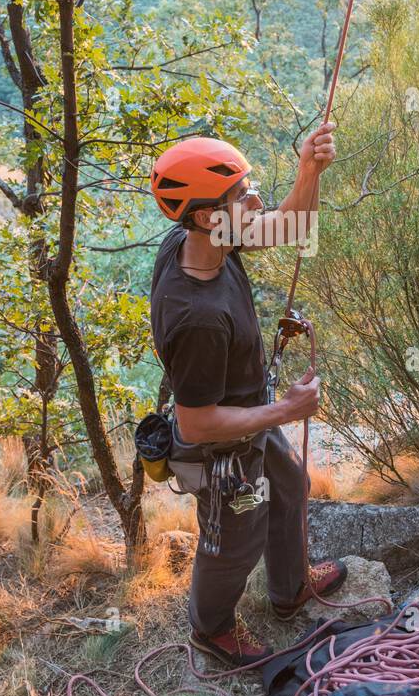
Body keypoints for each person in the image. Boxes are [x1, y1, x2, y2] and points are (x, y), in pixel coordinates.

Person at [148, 124, 348, 667]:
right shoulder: (198, 317)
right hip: (222, 446)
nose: (255, 199)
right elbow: (195, 426)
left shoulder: (205, 236)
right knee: (234, 540)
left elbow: (291, 225)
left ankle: (289, 589)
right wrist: (287, 409)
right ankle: (210, 628)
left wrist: (310, 170)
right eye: (242, 194)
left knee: (289, 485)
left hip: (249, 416)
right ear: (212, 216)